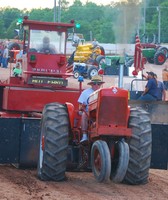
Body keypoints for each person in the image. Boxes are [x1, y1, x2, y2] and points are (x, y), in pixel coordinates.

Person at [78, 75, 105, 142]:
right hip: (89, 113)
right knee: (84, 115)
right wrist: (82, 107)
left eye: (98, 84)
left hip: (102, 112)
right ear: (91, 84)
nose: (96, 85)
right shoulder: (85, 93)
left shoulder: (104, 92)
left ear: (101, 85)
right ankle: (84, 136)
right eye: (94, 83)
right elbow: (80, 107)